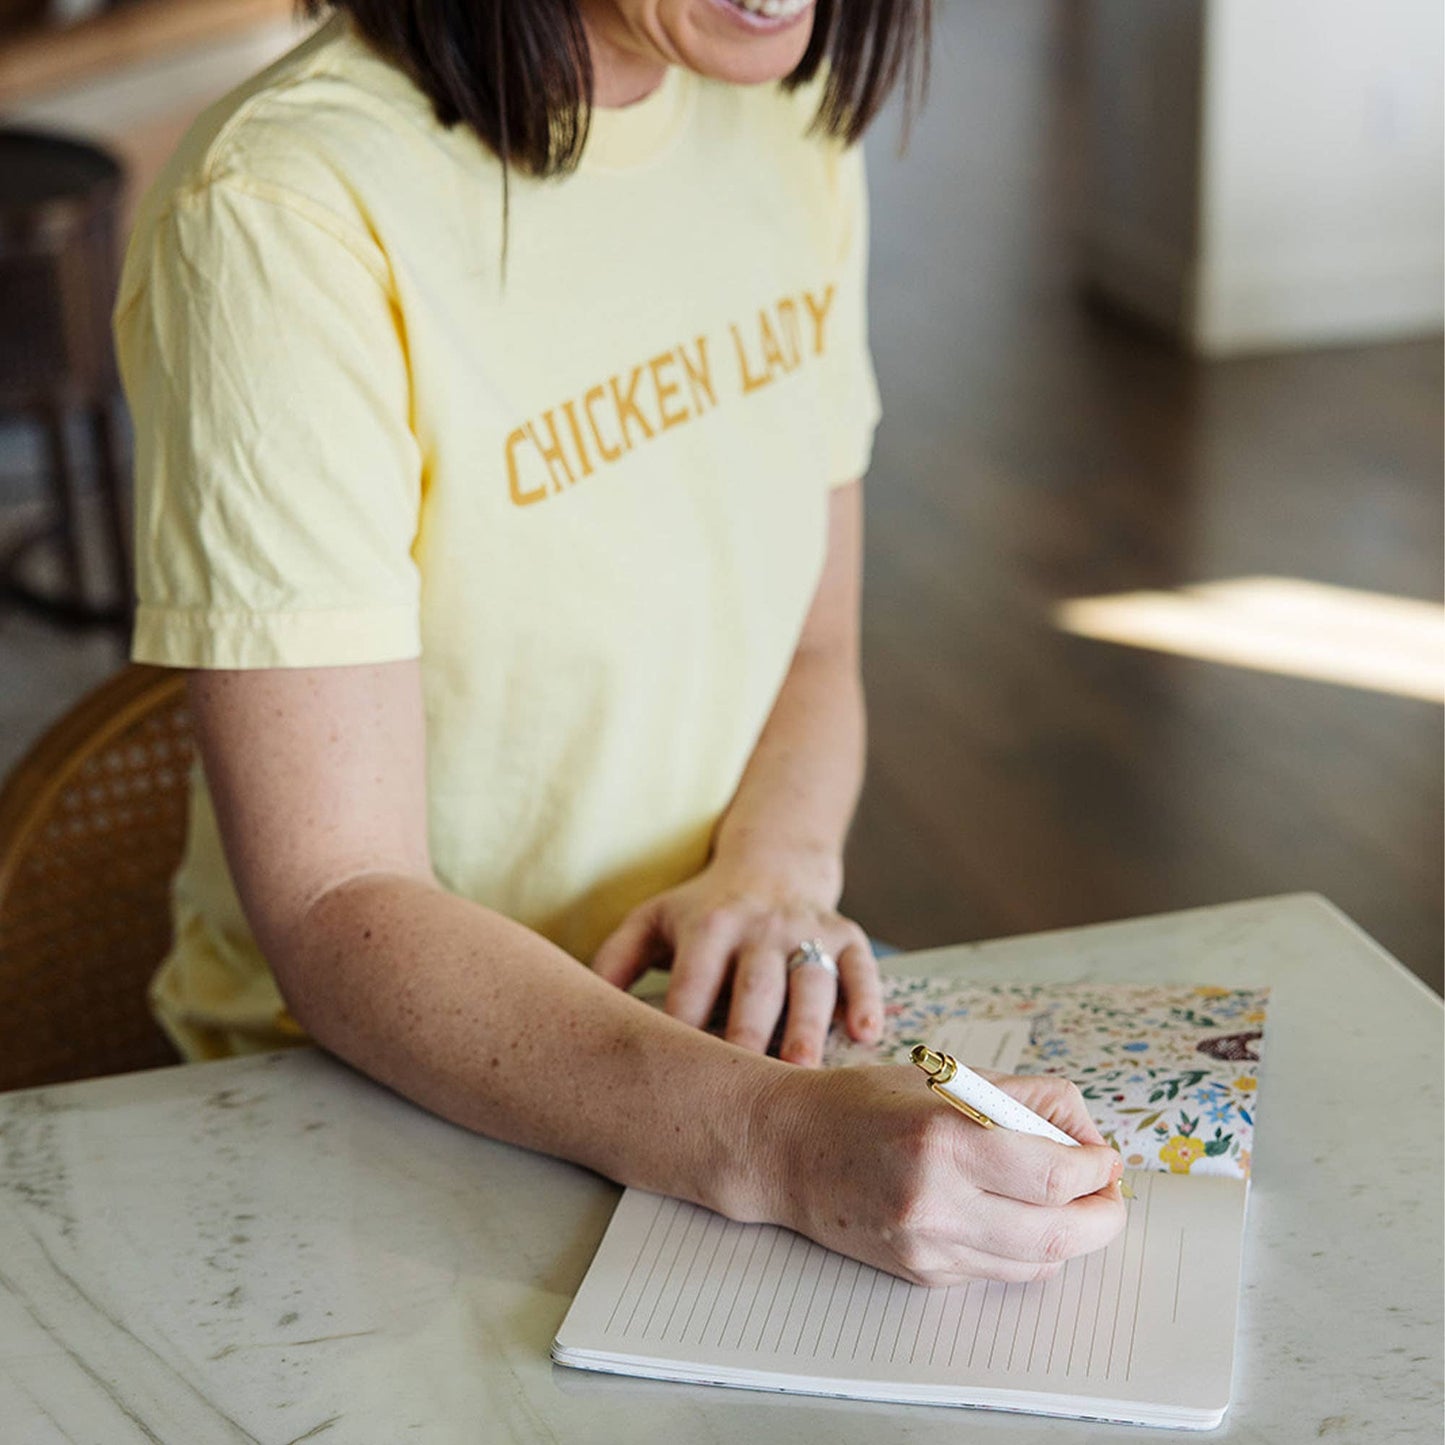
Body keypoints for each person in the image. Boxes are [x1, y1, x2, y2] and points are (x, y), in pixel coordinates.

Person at [115, 0, 1126, 1287]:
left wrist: (772, 868)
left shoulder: (780, 109)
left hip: (707, 1062)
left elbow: (814, 649)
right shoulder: (278, 207)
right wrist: (778, 1142)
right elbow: (334, 899)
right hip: (359, 1116)